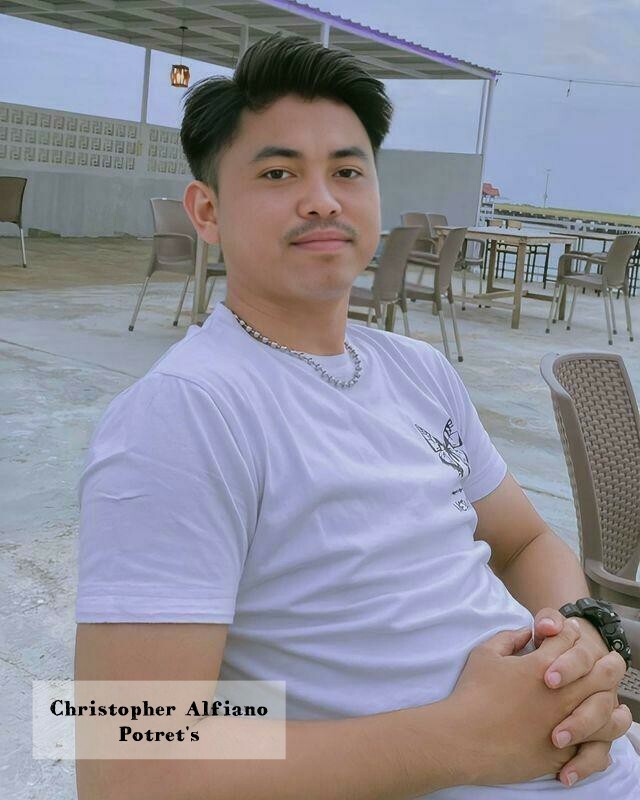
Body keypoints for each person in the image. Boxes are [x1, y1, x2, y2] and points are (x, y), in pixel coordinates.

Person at [74, 34, 639, 799]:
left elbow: (525, 539)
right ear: (206, 211)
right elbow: (129, 761)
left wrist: (574, 632)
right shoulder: (185, 416)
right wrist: (459, 741)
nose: (323, 199)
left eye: (347, 170)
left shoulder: (418, 372)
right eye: (278, 173)